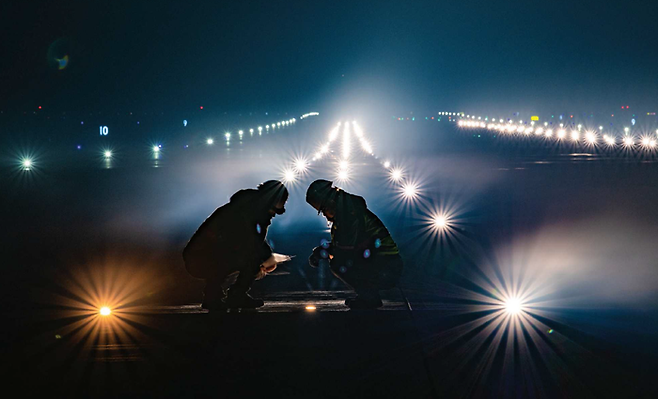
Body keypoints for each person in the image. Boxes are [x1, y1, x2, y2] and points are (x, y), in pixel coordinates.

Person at [183, 180, 289, 310]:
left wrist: (266, 256)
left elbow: (251, 240)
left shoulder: (242, 209)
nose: (273, 215)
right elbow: (247, 243)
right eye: (274, 210)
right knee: (249, 257)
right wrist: (265, 259)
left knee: (243, 255)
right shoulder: (246, 215)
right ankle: (231, 295)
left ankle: (217, 295)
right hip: (202, 258)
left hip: (198, 256)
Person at [305, 179, 403, 309]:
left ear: (331, 202)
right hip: (384, 262)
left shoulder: (349, 216)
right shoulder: (348, 212)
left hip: (386, 266)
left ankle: (369, 298)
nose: (324, 215)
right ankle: (367, 296)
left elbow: (346, 250)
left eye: (323, 209)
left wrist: (323, 252)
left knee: (339, 263)